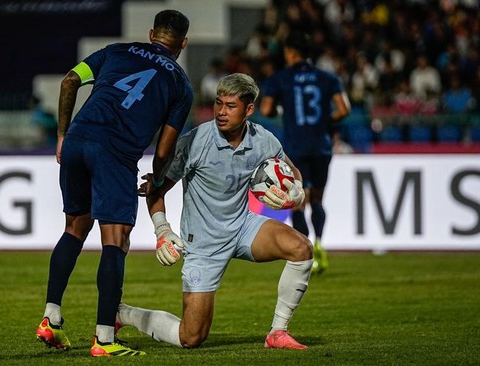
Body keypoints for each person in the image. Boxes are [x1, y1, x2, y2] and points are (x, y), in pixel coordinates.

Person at [35, 9, 193, 357]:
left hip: (77, 139)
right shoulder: (180, 84)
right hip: (116, 152)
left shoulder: (115, 51)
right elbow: (164, 148)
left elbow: (69, 81)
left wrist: (62, 135)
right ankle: (105, 339)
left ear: (152, 33)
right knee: (116, 239)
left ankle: (51, 316)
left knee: (74, 228)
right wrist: (159, 180)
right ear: (183, 43)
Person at [117, 73, 312, 350]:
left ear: (249, 110)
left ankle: (277, 333)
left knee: (301, 248)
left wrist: (297, 192)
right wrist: (162, 230)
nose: (221, 111)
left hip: (243, 226)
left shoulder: (263, 140)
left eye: (230, 106)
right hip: (204, 244)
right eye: (219, 103)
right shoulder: (195, 141)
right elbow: (155, 188)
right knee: (191, 337)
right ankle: (122, 313)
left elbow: (293, 172)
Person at [260, 31, 350, 274]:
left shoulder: (281, 78)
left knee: (298, 201)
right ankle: (320, 243)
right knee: (318, 199)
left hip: (296, 147)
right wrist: (324, 122)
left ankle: (306, 249)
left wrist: (282, 111)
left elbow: (266, 108)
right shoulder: (327, 78)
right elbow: (344, 109)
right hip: (321, 146)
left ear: (290, 53)